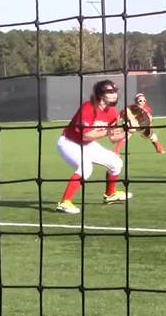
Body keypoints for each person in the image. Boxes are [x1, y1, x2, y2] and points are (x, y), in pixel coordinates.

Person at [56, 79, 134, 215]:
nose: (114, 94)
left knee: (116, 162)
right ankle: (64, 203)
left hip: (88, 144)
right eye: (110, 91)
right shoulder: (88, 107)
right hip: (69, 143)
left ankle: (110, 195)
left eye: (115, 91)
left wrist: (129, 131)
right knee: (86, 167)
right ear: (100, 94)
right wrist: (108, 132)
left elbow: (113, 138)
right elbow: (85, 135)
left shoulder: (112, 113)